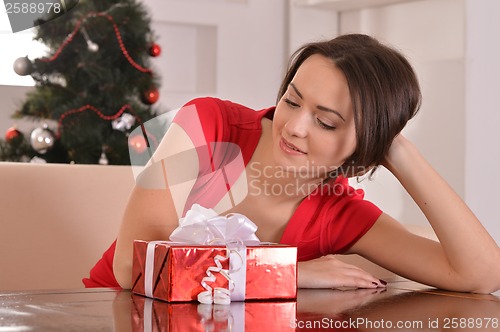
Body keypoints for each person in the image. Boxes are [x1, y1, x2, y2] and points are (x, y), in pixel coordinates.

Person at [83, 34, 500, 293]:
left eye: (326, 121)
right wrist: (287, 272)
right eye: (292, 100)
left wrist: (399, 152)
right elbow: (134, 267)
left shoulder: (338, 214)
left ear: (365, 145)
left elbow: (480, 276)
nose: (295, 127)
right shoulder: (207, 124)